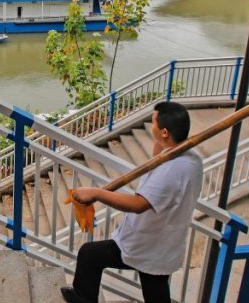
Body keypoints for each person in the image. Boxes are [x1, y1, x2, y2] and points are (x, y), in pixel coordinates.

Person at [61, 101, 203, 303]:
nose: (150, 124)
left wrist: (96, 193)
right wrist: (160, 140)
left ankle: (83, 298)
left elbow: (138, 205)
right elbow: (157, 159)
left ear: (164, 132)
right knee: (155, 286)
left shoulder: (171, 172)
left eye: (153, 122)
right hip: (162, 241)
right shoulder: (191, 157)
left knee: (89, 254)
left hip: (147, 241)